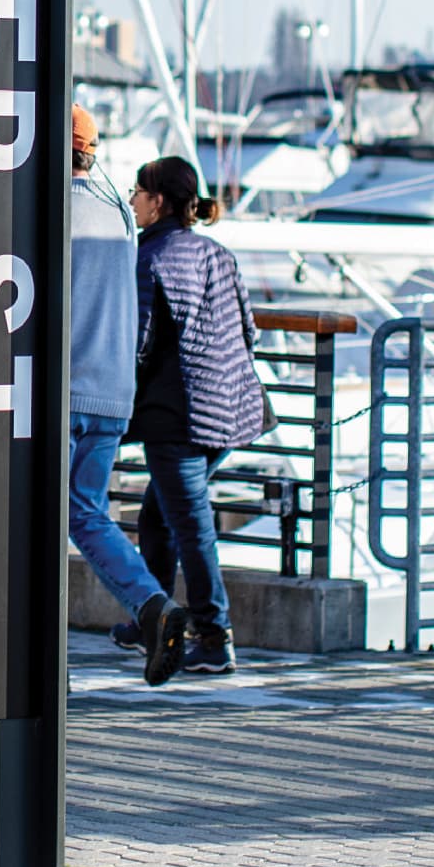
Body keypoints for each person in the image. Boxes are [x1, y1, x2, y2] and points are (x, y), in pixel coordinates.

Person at [128, 153, 268, 677]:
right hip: (230, 410)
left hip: (177, 415)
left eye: (139, 192)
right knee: (157, 518)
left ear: (158, 201)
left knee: (189, 526)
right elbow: (250, 330)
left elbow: (139, 343)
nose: (134, 200)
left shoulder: (150, 258)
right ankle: (152, 617)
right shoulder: (218, 254)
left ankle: (213, 635)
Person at [63, 106, 183, 683]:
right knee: (84, 514)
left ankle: (7, 650)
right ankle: (152, 605)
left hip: (63, 389)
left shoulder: (52, 206)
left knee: (31, 514)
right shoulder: (116, 205)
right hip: (113, 390)